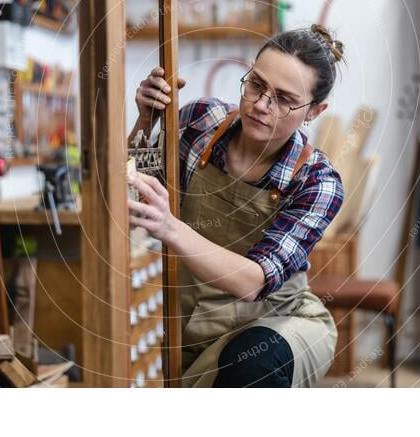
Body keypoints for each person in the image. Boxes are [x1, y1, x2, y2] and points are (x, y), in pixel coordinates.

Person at [127, 24, 346, 387]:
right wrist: (146, 119)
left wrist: (170, 228)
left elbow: (253, 281)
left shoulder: (316, 181)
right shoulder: (200, 122)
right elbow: (135, 196)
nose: (261, 105)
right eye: (257, 85)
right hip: (191, 318)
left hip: (275, 320)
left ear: (315, 111)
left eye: (285, 99)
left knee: (253, 363)